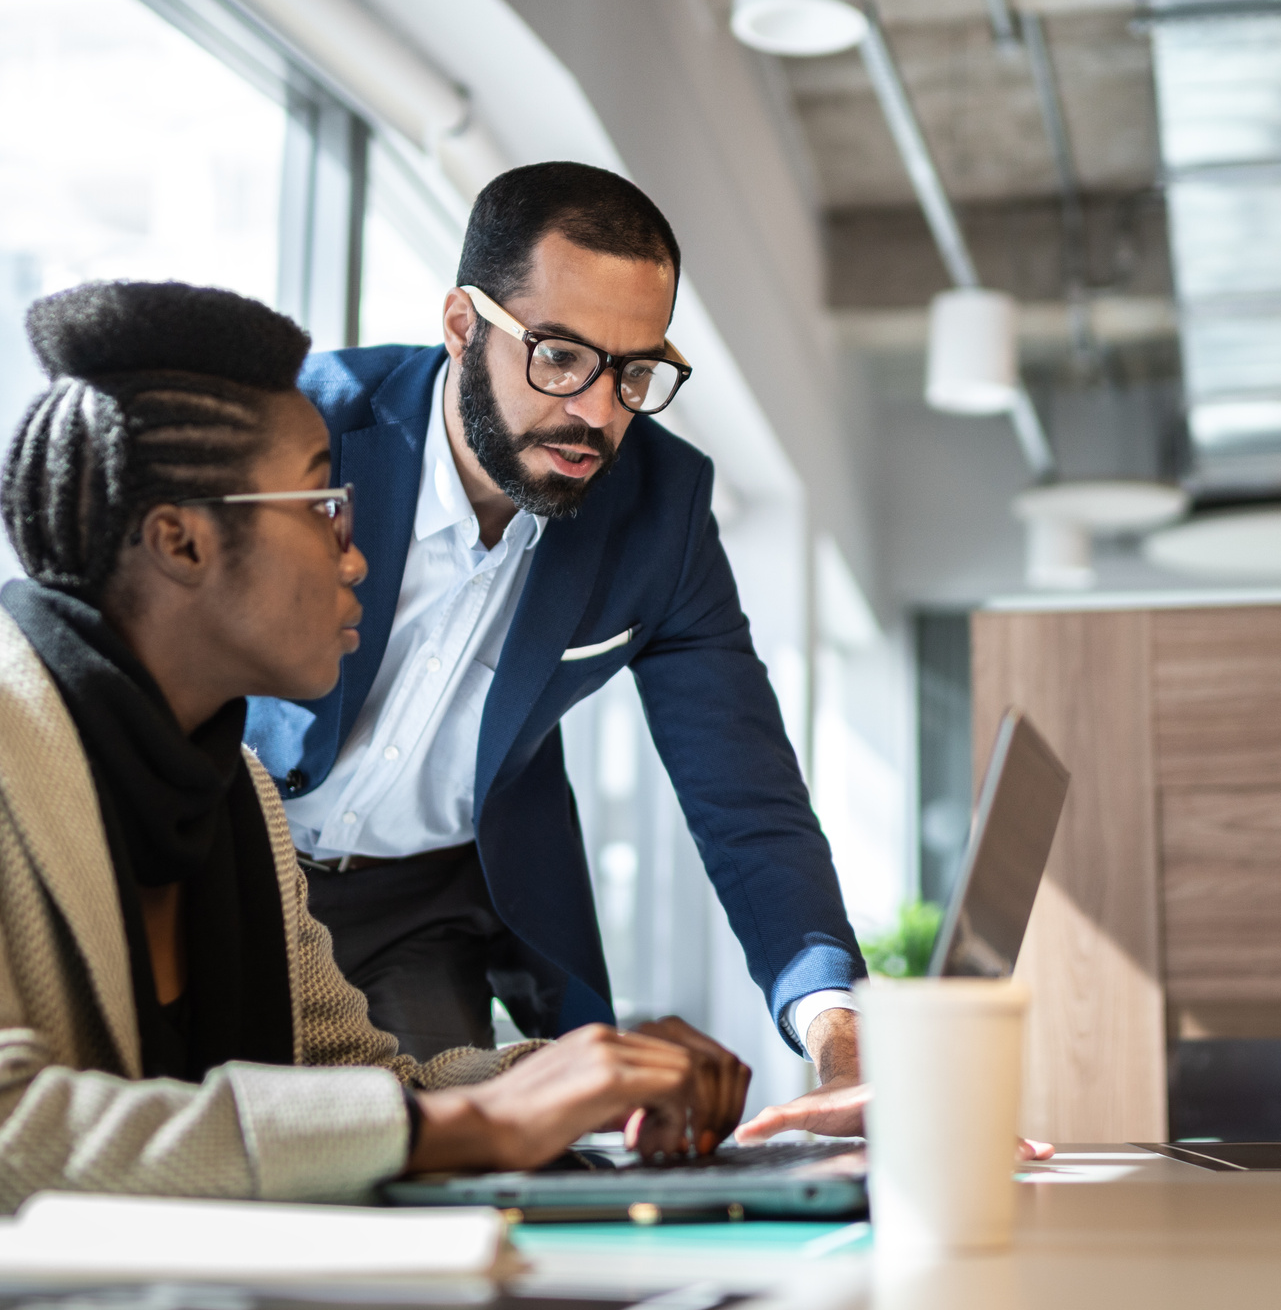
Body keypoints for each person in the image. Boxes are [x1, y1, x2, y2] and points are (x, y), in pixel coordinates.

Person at [0, 281, 752, 1271]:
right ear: (181, 538)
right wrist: (470, 1116)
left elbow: (367, 1083)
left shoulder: (234, 788)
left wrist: (587, 1074)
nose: (357, 559)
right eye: (324, 502)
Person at [246, 162, 868, 1139]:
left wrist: (840, 1037)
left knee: (457, 1184)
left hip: (427, 907)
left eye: (632, 370)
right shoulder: (307, 426)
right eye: (560, 356)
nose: (597, 411)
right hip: (240, 861)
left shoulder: (658, 513)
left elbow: (746, 797)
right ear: (462, 324)